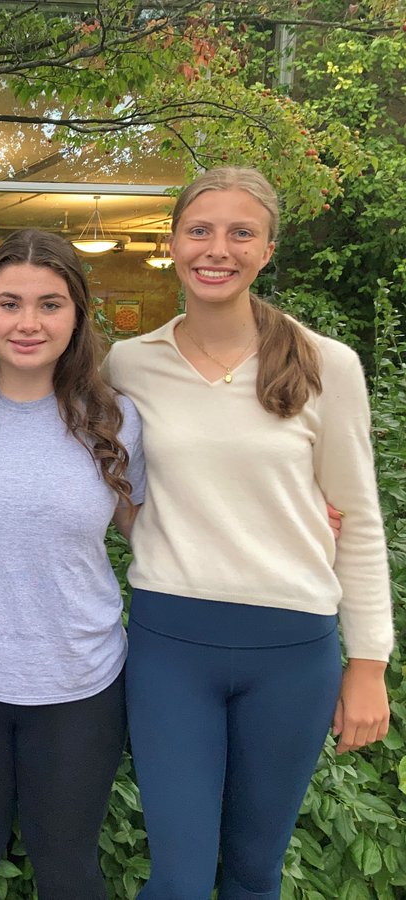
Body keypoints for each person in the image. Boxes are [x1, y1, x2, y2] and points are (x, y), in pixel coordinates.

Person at [101, 166, 393, 899]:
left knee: (254, 873)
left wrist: (368, 663)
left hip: (292, 651)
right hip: (172, 645)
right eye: (199, 230)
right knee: (178, 879)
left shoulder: (328, 364)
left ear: (268, 250)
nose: (217, 249)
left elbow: (358, 520)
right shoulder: (130, 364)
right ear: (172, 243)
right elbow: (104, 480)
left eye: (241, 233)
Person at [0, 229, 145, 899]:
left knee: (68, 870)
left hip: (80, 681)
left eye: (50, 304)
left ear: (77, 316)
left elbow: (154, 535)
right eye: (9, 303)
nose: (28, 323)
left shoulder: (115, 419)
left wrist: (284, 518)